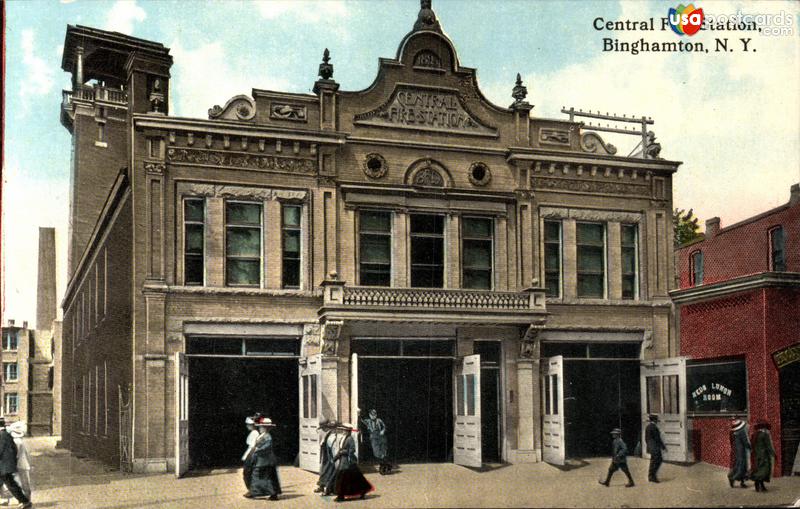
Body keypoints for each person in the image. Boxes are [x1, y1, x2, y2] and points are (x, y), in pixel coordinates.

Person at [333, 423, 374, 502]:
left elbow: (352, 450)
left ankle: (341, 496)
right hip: (343, 460)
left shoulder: (350, 439)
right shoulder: (343, 438)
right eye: (342, 430)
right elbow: (341, 449)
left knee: (343, 478)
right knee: (354, 478)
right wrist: (337, 456)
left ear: (348, 431)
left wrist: (344, 452)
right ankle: (361, 491)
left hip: (348, 461)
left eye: (344, 430)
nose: (342, 431)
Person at [246, 417, 282, 500]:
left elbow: (267, 447)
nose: (260, 428)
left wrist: (257, 450)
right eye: (260, 427)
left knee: (262, 476)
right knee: (262, 476)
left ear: (266, 428)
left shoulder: (268, 436)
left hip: (266, 460)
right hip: (261, 459)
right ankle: (256, 492)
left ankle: (270, 493)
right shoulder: (262, 435)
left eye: (262, 427)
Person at [0, 418, 30, 508]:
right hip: (5, 465)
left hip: (5, 466)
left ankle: (24, 501)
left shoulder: (2, 435)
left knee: (10, 484)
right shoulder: (5, 435)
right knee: (8, 483)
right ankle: (20, 500)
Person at [360, 409, 391, 475]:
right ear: (369, 415)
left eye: (374, 415)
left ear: (376, 415)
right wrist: (358, 413)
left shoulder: (379, 420)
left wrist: (383, 430)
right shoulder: (367, 421)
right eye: (372, 415)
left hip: (381, 437)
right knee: (376, 453)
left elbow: (384, 426)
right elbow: (361, 420)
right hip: (373, 438)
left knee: (383, 452)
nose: (373, 416)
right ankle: (386, 464)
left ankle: (383, 467)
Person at [315, 420, 340, 495]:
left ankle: (329, 488)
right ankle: (321, 486)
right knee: (323, 471)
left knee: (330, 472)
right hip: (326, 456)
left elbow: (335, 447)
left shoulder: (335, 435)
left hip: (331, 457)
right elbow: (323, 443)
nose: (323, 429)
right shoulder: (328, 434)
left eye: (324, 428)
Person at [750, 421, 776, 492]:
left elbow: (751, 445)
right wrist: (773, 454)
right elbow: (768, 446)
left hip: (756, 455)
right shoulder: (765, 435)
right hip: (764, 455)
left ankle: (759, 486)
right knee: (764, 471)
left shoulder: (754, 434)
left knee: (758, 470)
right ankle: (760, 485)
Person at [728, 418, 751, 488]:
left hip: (735, 451)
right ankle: (734, 478)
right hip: (742, 451)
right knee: (742, 466)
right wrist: (750, 447)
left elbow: (731, 442)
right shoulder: (741, 432)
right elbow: (746, 442)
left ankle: (737, 480)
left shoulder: (732, 432)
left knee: (736, 465)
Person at [241, 414, 260, 496]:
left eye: (249, 424)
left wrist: (249, 457)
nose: (247, 426)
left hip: (252, 454)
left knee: (247, 473)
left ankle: (252, 490)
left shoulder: (255, 433)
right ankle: (252, 489)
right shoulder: (253, 432)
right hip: (250, 453)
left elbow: (253, 446)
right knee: (248, 473)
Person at [645, 414, 667, 483]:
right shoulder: (654, 427)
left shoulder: (648, 427)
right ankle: (653, 476)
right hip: (655, 447)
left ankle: (650, 476)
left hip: (650, 447)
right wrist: (663, 447)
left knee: (653, 461)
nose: (657, 421)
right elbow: (657, 438)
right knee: (659, 460)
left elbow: (646, 438)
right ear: (654, 420)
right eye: (656, 420)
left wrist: (649, 446)